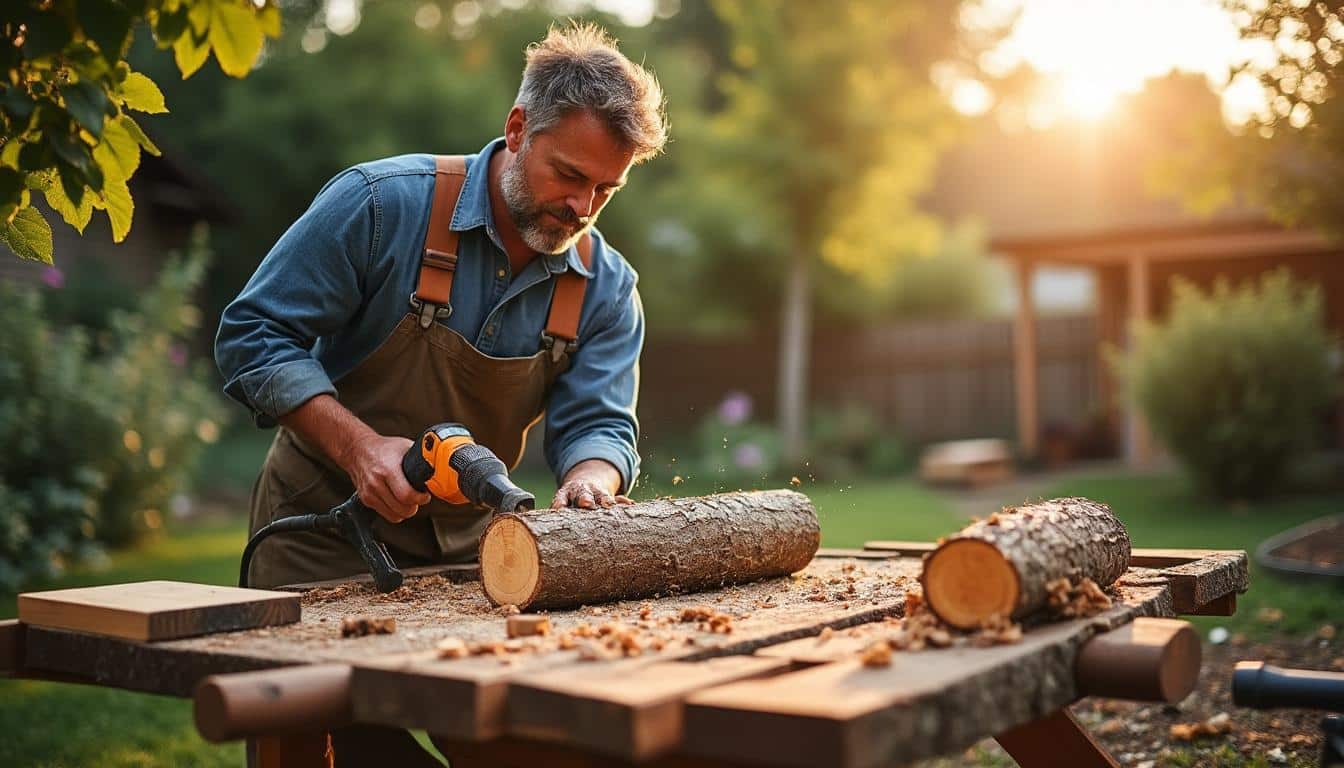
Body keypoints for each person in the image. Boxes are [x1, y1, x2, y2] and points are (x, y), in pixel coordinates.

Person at [215, 21, 665, 764]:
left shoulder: (607, 288)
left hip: (473, 559)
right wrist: (360, 449)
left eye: (605, 190)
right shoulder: (379, 205)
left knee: (520, 743)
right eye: (569, 175)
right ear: (517, 128)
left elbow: (601, 423)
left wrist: (592, 479)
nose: (583, 207)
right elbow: (252, 334)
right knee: (333, 747)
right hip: (320, 540)